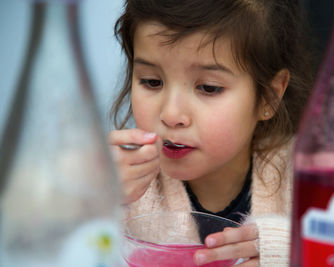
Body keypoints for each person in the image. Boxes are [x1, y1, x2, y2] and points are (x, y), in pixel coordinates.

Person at [108, 0, 315, 265]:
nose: (171, 115)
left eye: (208, 87)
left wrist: (292, 252)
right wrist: (96, 199)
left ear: (269, 97)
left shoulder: (308, 177)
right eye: (151, 81)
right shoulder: (117, 177)